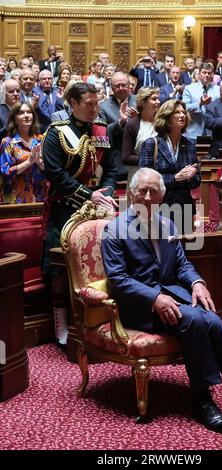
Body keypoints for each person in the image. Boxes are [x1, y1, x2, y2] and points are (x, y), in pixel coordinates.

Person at [101, 167, 222, 436]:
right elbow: (119, 280)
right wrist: (155, 298)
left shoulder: (167, 224)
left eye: (153, 191)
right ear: (131, 193)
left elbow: (182, 264)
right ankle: (202, 400)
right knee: (194, 320)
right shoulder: (114, 230)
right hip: (139, 308)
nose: (147, 196)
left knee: (214, 320)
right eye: (142, 190)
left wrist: (196, 282)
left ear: (162, 195)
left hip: (172, 296)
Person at [42, 82, 118, 345]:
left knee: (102, 267)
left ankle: (99, 321)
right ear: (73, 104)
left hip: (99, 210)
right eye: (88, 104)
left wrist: (105, 194)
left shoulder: (102, 131)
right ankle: (63, 328)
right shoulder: (57, 133)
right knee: (61, 271)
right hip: (65, 211)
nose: (95, 108)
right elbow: (55, 172)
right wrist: (87, 194)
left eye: (97, 103)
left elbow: (111, 168)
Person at [139, 100, 200, 233]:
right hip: (159, 207)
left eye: (183, 112)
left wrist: (190, 177)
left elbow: (197, 181)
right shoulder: (151, 144)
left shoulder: (189, 145)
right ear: (166, 117)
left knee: (183, 250)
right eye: (176, 112)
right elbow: (144, 181)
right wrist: (175, 178)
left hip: (185, 209)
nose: (182, 115)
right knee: (158, 250)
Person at [0, 102, 46, 203]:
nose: (26, 115)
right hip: (16, 199)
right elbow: (5, 172)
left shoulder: (41, 140)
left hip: (40, 197)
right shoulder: (8, 142)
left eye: (29, 112)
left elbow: (50, 169)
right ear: (14, 118)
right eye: (21, 113)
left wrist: (38, 162)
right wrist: (29, 162)